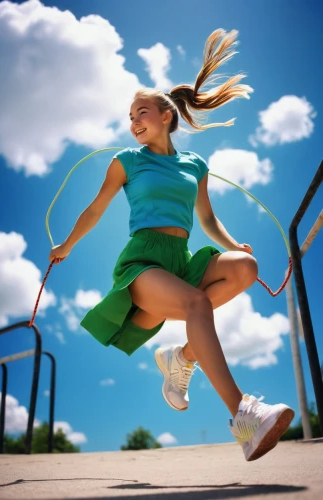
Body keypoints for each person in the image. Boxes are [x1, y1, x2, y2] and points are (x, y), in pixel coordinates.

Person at [49, 29, 294, 461]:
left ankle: (180, 357)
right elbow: (95, 209)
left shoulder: (194, 164)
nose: (133, 121)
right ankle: (244, 415)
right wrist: (67, 244)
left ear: (166, 115)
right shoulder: (124, 161)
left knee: (244, 269)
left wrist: (236, 243)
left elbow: (206, 218)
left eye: (140, 111)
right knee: (198, 306)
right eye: (129, 116)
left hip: (180, 261)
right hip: (144, 264)